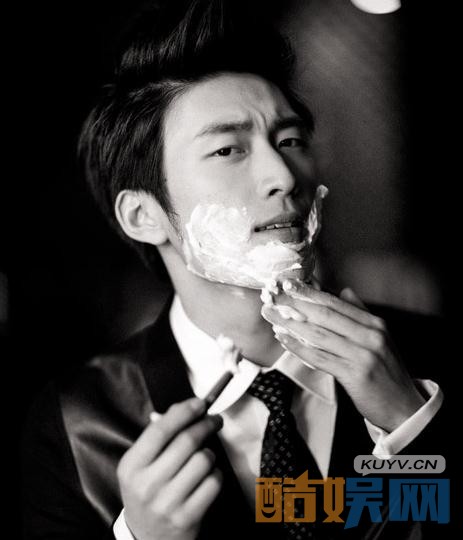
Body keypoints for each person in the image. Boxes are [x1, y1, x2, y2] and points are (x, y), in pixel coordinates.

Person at [21, 1, 456, 538]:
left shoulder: (431, 360)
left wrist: (412, 429)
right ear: (143, 216)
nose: (284, 177)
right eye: (228, 150)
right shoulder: (79, 426)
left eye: (290, 141)